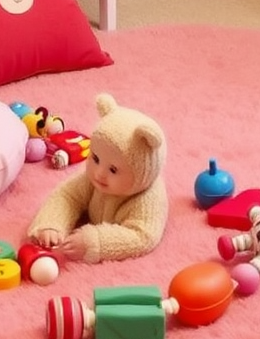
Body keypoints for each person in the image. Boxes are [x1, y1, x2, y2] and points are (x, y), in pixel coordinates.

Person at [27, 92, 167, 263]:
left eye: (113, 170)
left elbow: (142, 237)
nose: (99, 173)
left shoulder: (148, 200)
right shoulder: (92, 177)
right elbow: (67, 195)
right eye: (95, 159)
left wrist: (94, 242)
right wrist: (51, 224)